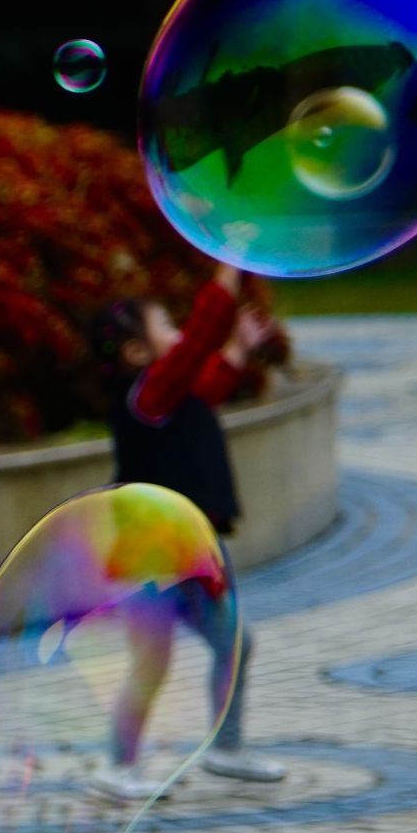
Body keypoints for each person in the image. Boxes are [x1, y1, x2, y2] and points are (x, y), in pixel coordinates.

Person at [89, 264, 289, 801]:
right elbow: (200, 342)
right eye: (165, 326)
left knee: (237, 645)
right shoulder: (147, 397)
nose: (180, 334)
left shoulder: (175, 397)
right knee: (152, 661)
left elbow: (210, 383)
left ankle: (226, 748)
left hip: (195, 551)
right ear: (137, 354)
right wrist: (227, 266)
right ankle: (117, 766)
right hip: (149, 558)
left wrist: (240, 349)